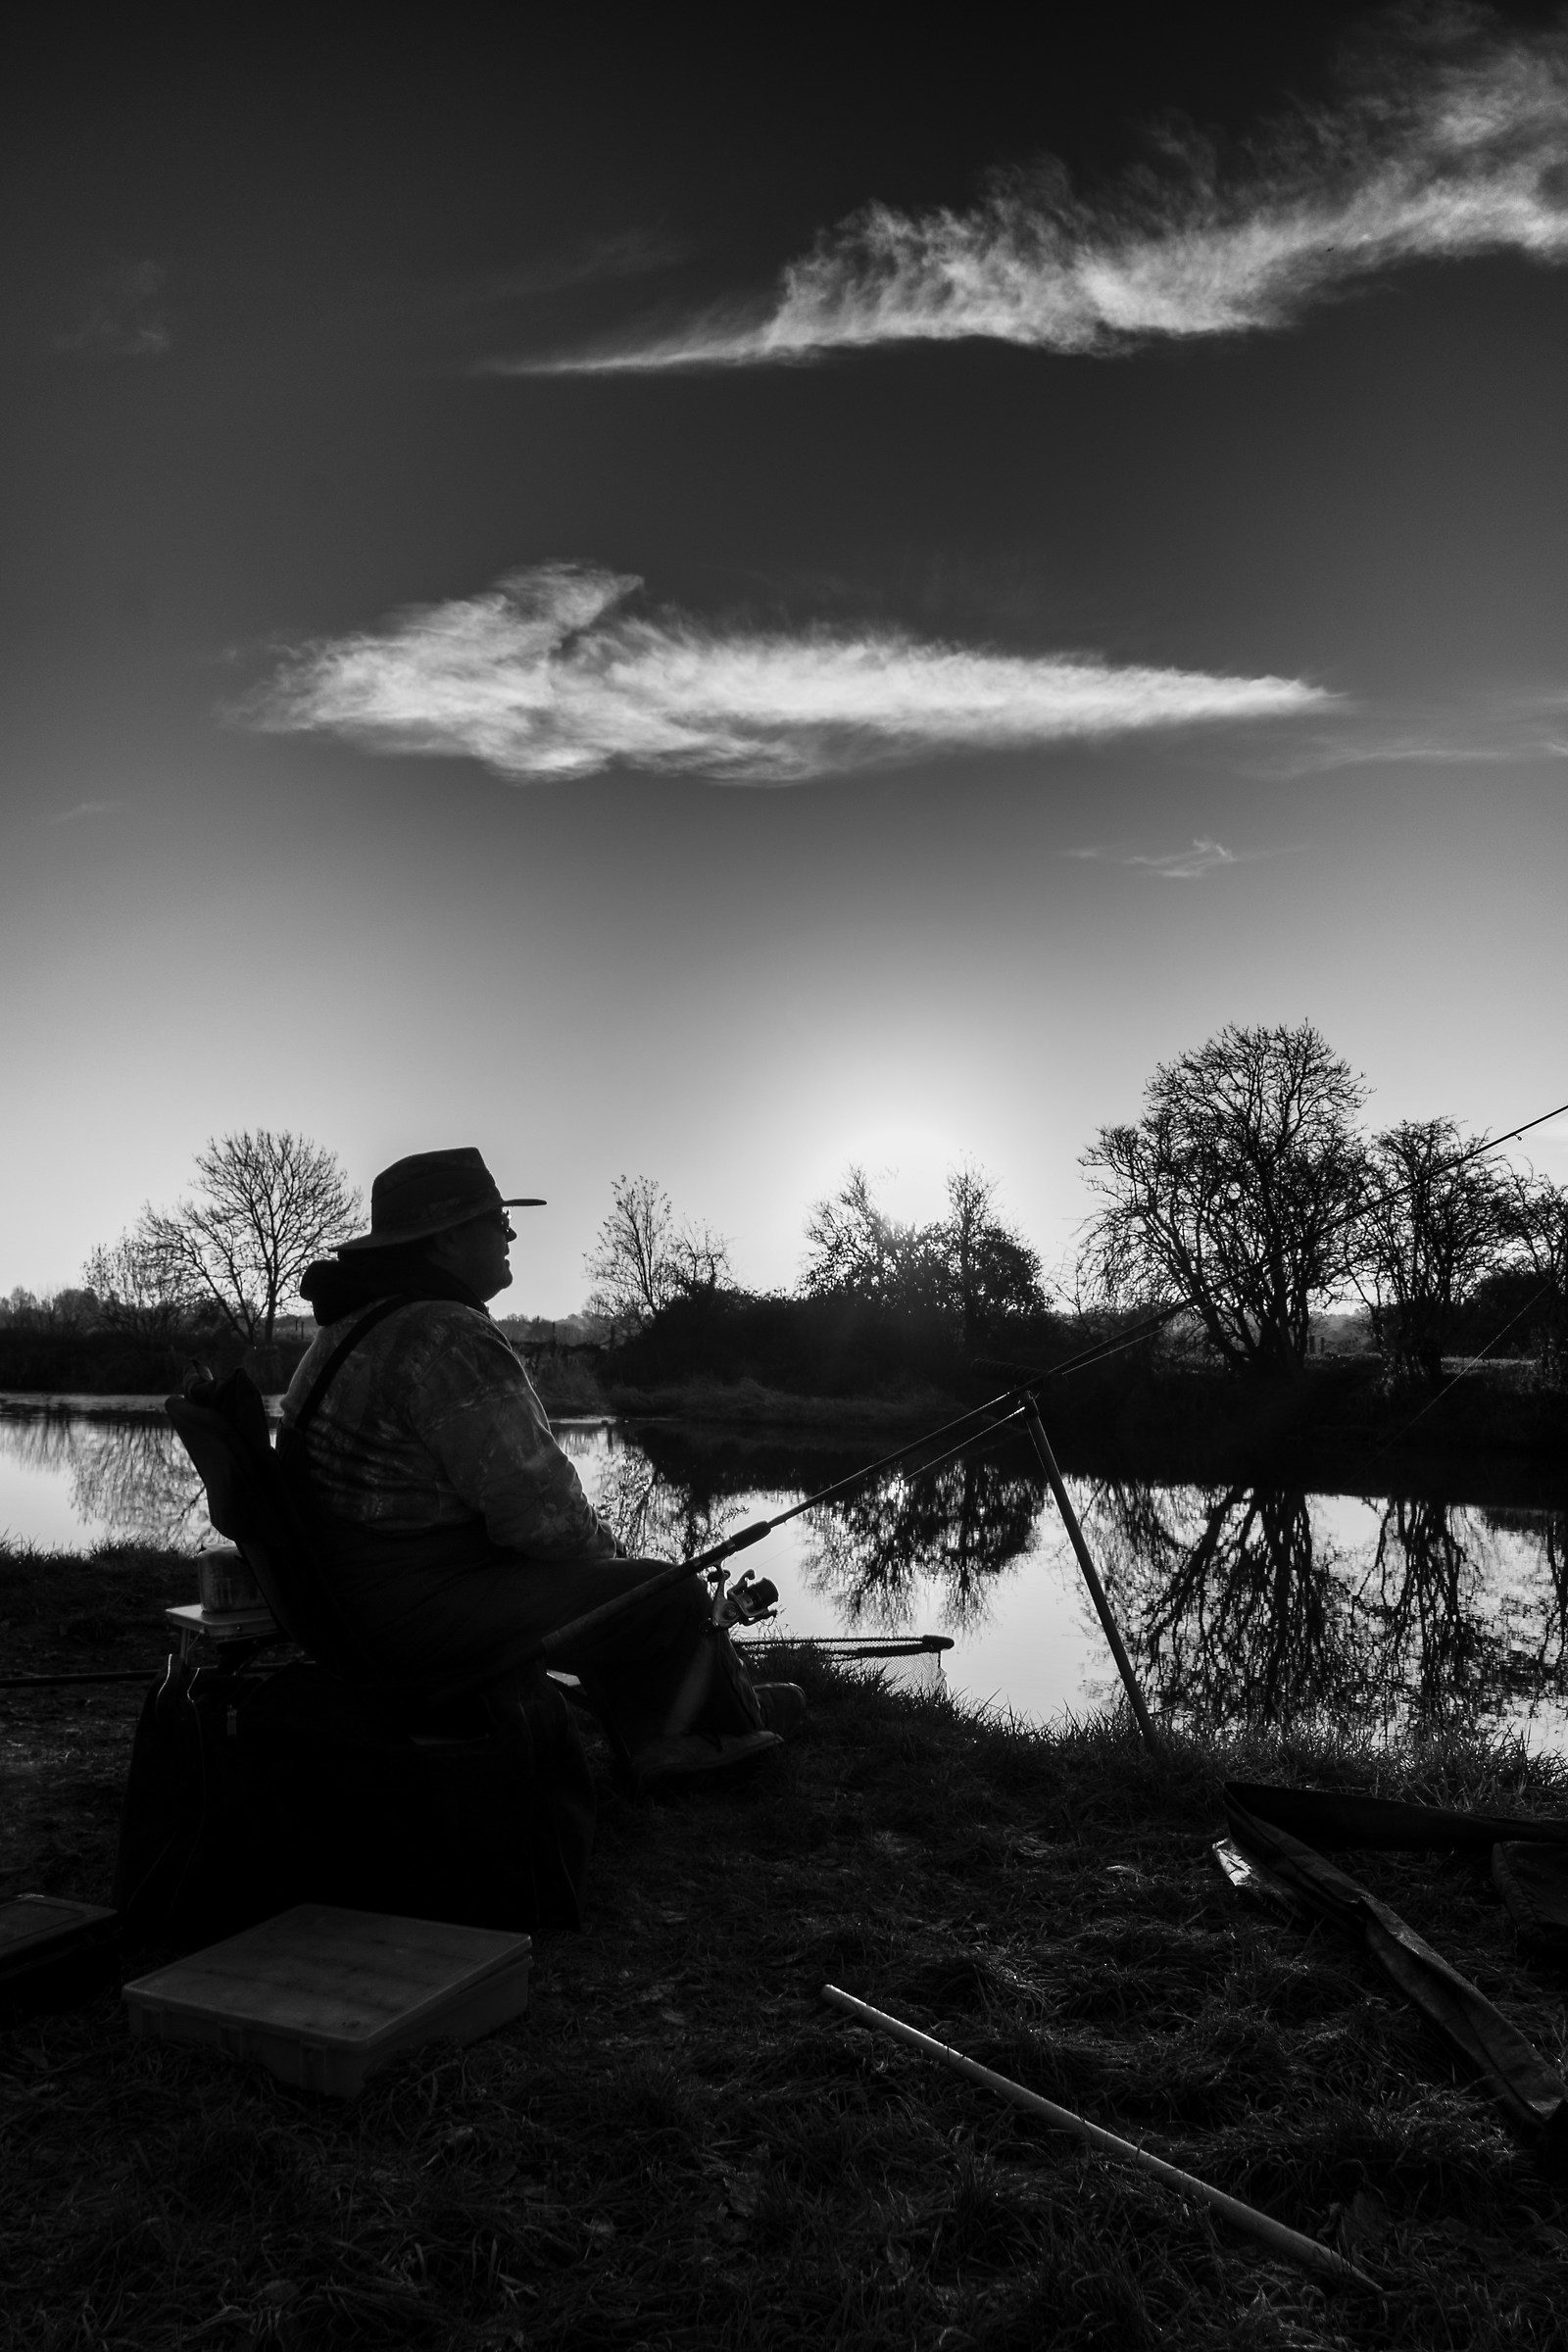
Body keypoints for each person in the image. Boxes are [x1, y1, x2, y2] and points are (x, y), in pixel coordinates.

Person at [279, 1147, 803, 1778]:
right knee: (669, 1592)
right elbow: (546, 1521)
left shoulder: (351, 1329)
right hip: (410, 1618)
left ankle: (697, 1707)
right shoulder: (448, 1336)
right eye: (497, 1222)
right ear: (447, 1239)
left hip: (350, 1611)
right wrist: (632, 1578)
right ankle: (701, 1735)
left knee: (631, 1589)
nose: (511, 1234)